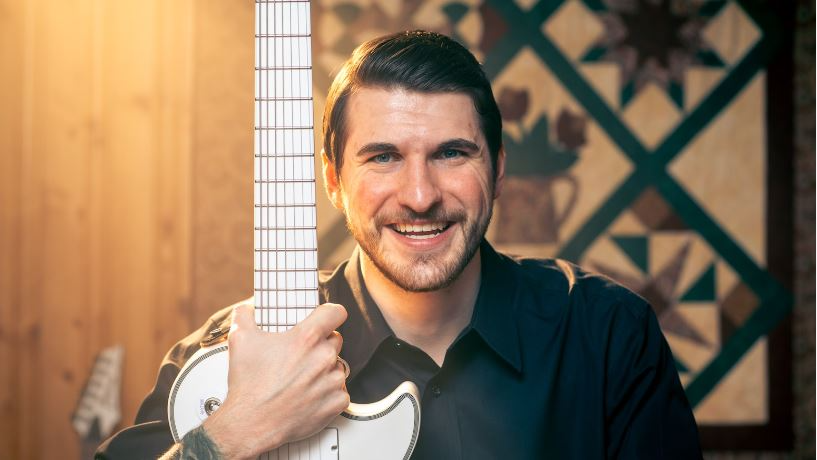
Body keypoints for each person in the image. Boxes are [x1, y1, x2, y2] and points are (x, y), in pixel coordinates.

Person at [96, 30, 702, 459]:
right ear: (334, 180)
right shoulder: (229, 356)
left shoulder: (607, 336)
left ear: (497, 171)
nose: (419, 195)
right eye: (383, 157)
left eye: (452, 153)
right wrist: (231, 434)